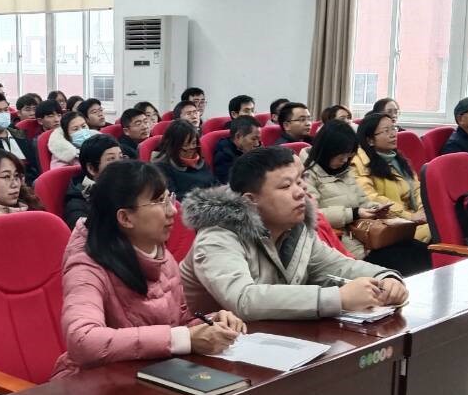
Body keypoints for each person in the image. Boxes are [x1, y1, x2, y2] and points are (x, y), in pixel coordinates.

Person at [52, 160, 244, 379]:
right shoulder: (85, 265)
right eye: (159, 201)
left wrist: (209, 323)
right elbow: (83, 340)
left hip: (153, 374)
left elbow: (179, 323)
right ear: (125, 217)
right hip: (96, 385)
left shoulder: (158, 252)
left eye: (169, 198)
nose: (173, 210)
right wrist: (183, 338)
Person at [181, 147, 408, 320]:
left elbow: (338, 266)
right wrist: (337, 298)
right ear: (250, 200)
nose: (300, 192)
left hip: (269, 339)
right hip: (210, 349)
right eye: (285, 186)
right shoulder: (217, 235)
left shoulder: (293, 227)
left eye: (299, 182)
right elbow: (243, 300)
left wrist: (385, 278)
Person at [303, 122, 431, 274]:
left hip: (367, 236)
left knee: (419, 250)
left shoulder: (344, 171)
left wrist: (375, 209)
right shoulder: (309, 175)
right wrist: (354, 213)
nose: (345, 161)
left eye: (348, 156)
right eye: (341, 156)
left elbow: (363, 201)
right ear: (327, 151)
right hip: (344, 244)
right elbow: (313, 216)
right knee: (407, 262)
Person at [351, 113, 431, 242]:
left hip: (413, 216)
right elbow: (371, 198)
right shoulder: (360, 162)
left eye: (394, 128)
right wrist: (410, 216)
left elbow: (417, 187)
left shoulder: (396, 158)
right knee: (437, 230)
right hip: (389, 222)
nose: (393, 134)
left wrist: (423, 209)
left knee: (444, 223)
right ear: (370, 140)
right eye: (386, 131)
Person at [63, 134, 124, 229]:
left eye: (121, 157)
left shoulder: (125, 185)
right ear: (91, 168)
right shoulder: (78, 205)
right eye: (111, 159)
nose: (121, 165)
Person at [0, 91, 39, 181]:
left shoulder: (19, 134)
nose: (4, 114)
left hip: (29, 182)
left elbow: (34, 166)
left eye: (6, 110)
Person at [152, 120, 214, 198]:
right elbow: (172, 197)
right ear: (173, 146)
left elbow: (215, 183)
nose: (191, 148)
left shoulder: (200, 161)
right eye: (186, 145)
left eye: (194, 143)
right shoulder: (161, 167)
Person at [213, 115, 261, 185]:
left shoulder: (258, 147)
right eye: (253, 139)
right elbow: (230, 183)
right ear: (238, 136)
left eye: (259, 139)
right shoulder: (224, 155)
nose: (257, 144)